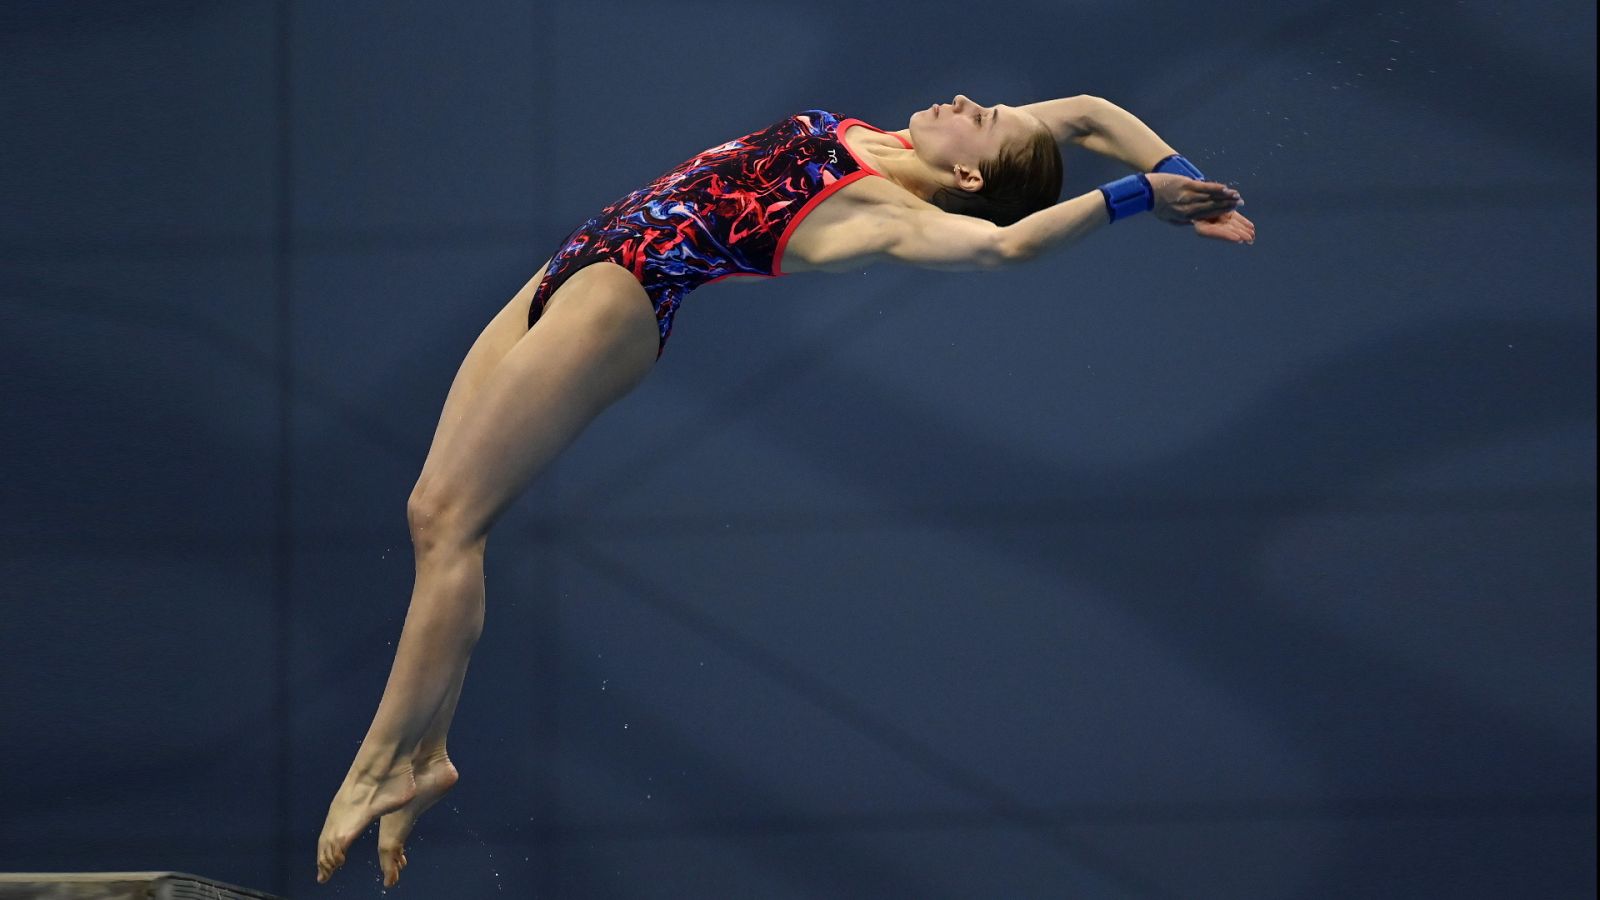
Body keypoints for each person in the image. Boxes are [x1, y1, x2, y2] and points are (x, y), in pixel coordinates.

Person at [314, 93, 1253, 887]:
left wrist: (1138, 197)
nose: (972, 99)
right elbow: (1086, 114)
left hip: (621, 297)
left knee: (454, 523)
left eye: (986, 119)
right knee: (428, 512)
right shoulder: (892, 137)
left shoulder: (892, 215)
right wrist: (1188, 181)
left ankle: (381, 765)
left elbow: (1010, 249)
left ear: (970, 175)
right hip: (575, 259)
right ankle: (425, 754)